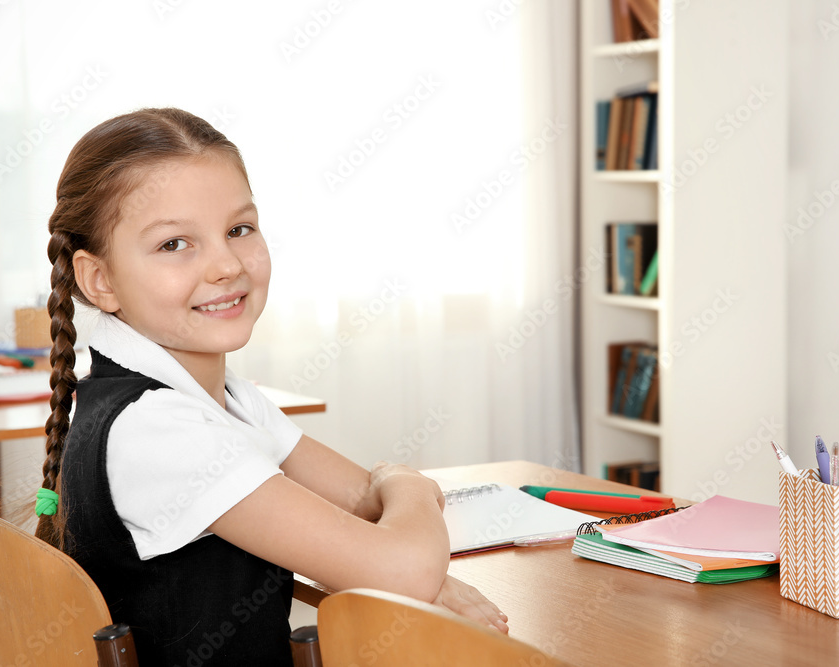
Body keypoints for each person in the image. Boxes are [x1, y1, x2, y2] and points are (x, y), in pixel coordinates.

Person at [34, 108, 507, 665]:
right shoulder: (157, 429)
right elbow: (398, 561)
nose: (226, 265)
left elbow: (361, 501)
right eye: (174, 244)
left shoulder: (220, 395)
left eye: (239, 230)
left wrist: (410, 555)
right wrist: (409, 483)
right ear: (100, 280)